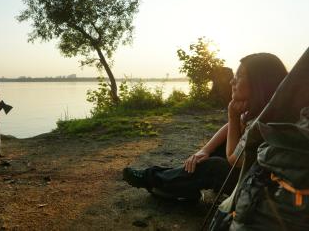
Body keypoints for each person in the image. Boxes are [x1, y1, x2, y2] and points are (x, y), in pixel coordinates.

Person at [122, 53, 288, 201]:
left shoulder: (268, 123)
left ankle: (151, 179)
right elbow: (232, 127)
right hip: (254, 178)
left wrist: (232, 114)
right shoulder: (264, 108)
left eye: (240, 76)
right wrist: (204, 151)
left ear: (259, 83)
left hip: (262, 193)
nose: (232, 81)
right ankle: (181, 186)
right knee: (214, 152)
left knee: (214, 166)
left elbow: (233, 159)